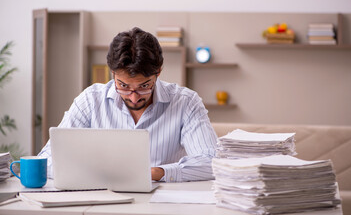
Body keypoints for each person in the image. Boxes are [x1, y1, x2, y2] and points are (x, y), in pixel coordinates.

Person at [38, 27, 218, 182]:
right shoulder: (90, 100)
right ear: (112, 73)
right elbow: (46, 159)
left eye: (144, 86)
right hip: (100, 200)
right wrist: (93, 173)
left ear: (158, 72)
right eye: (123, 86)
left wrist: (157, 172)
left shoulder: (186, 102)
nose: (133, 98)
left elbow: (212, 162)